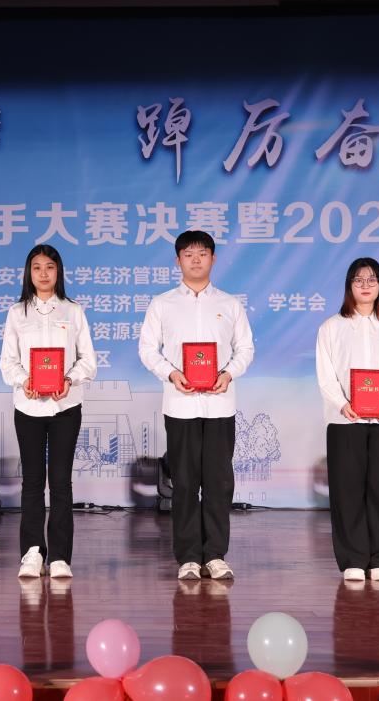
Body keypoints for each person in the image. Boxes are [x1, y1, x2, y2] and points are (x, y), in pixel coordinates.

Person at [138, 230, 254, 581]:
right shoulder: (162, 304)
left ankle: (215, 555)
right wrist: (171, 373)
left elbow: (245, 349)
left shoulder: (230, 305)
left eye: (202, 253)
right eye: (188, 254)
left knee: (219, 483)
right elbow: (147, 350)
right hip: (181, 406)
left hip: (219, 406)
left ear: (213, 259)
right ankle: (188, 556)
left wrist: (228, 373)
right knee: (185, 483)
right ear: (178, 261)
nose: (196, 259)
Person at [0, 245, 97, 580]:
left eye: (50, 267)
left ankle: (59, 556)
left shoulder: (73, 311)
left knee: (60, 482)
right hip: (27, 407)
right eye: (37, 267)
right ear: (28, 273)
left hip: (65, 408)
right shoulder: (17, 313)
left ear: (59, 272)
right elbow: (8, 362)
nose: (43, 273)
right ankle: (31, 553)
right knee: (31, 482)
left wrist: (69, 380)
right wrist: (23, 381)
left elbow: (88, 361)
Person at [315, 257, 379, 582]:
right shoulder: (331, 328)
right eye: (359, 280)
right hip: (344, 420)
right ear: (349, 286)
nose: (365, 285)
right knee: (347, 491)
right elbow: (326, 375)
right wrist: (342, 403)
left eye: (372, 279)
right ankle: (353, 559)